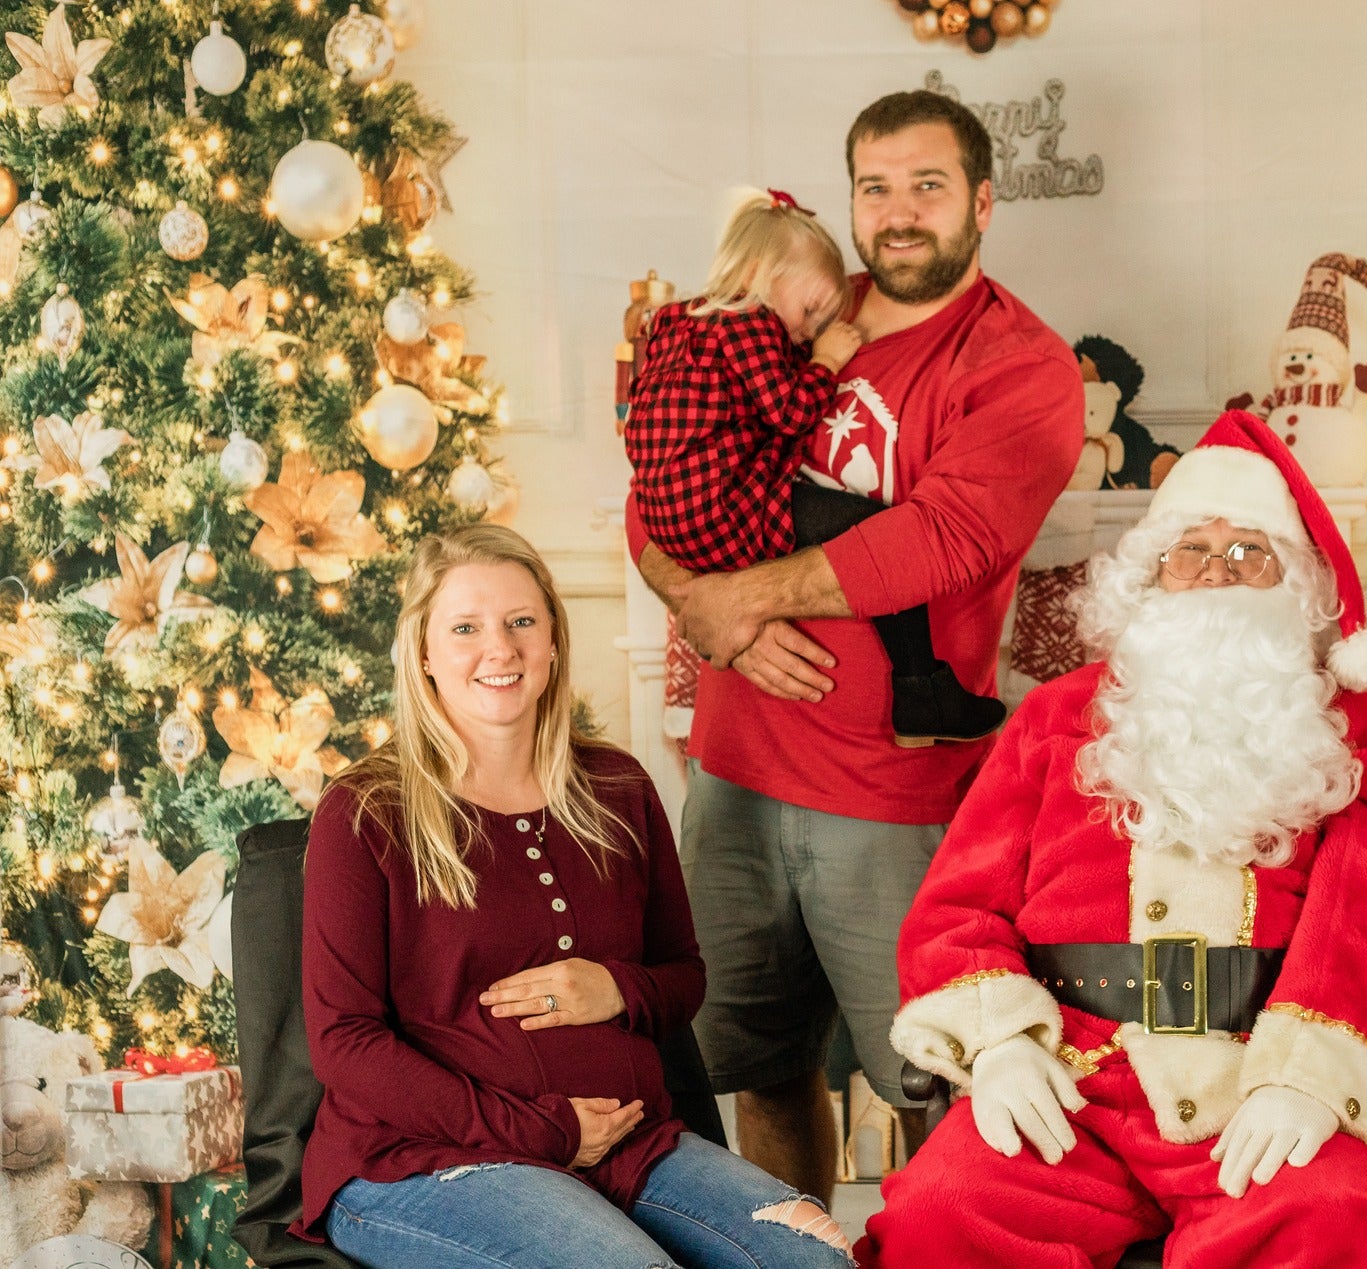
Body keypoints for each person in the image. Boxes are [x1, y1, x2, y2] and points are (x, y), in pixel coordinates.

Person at [626, 89, 1085, 1201]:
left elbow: (943, 539)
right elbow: (662, 479)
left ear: (981, 200)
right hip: (733, 782)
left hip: (895, 798)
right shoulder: (789, 312)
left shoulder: (1021, 367)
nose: (898, 213)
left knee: (939, 1092)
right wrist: (706, 609)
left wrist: (746, 599)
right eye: (874, 187)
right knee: (762, 1073)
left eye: (927, 185)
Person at [857, 412, 1367, 1267]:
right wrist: (999, 1045)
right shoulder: (1060, 713)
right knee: (940, 1212)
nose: (1216, 574)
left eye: (1250, 553)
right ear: (1152, 577)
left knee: (1317, 1215)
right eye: (1191, 552)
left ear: (1301, 586)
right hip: (1076, 1081)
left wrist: (1311, 1079)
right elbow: (961, 899)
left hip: (1258, 1080)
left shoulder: (1365, 726)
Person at [295, 525, 852, 1269]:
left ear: (553, 638)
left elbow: (683, 975)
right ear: (424, 652)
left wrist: (614, 986)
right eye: (465, 628)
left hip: (631, 1146)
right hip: (421, 1160)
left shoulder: (617, 787)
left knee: (814, 1256)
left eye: (521, 621)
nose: (500, 648)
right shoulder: (366, 811)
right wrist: (542, 1129)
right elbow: (346, 1043)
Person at [625, 186, 1004, 746]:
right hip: (726, 511)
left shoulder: (672, 323)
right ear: (758, 271)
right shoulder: (748, 323)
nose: (802, 336)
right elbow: (789, 409)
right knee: (877, 535)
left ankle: (922, 694)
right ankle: (921, 691)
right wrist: (826, 360)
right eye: (808, 314)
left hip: (672, 518)